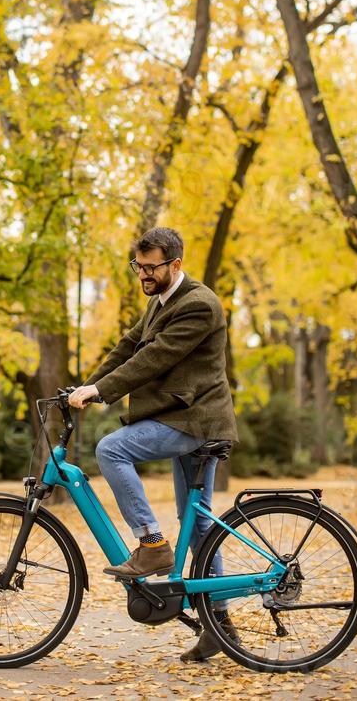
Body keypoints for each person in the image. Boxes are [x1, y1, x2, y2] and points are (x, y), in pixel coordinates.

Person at [68, 226, 240, 662]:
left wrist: (102, 392)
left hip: (195, 420)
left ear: (175, 264)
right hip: (180, 417)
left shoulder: (199, 305)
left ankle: (151, 545)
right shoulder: (159, 302)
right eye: (137, 266)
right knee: (198, 524)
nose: (142, 274)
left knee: (112, 449)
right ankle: (221, 627)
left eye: (151, 267)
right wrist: (89, 383)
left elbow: (153, 358)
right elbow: (129, 346)